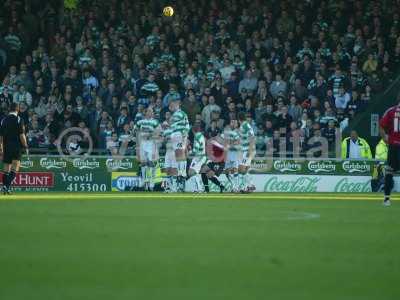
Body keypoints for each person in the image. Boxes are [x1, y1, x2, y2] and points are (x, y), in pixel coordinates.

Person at [0, 103, 29, 194]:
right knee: (15, 168)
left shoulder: (3, 120)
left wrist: (1, 147)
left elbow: (0, 136)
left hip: (6, 146)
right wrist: (25, 146)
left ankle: (5, 188)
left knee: (6, 169)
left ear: (9, 109)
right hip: (16, 147)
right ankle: (6, 187)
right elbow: (22, 135)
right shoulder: (19, 119)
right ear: (18, 109)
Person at [379, 93, 400, 206]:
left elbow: (381, 125)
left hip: (394, 145)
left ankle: (387, 199)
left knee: (389, 171)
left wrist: (385, 138)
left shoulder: (391, 111)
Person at [135, 107, 161, 191]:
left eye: (152, 111)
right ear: (145, 112)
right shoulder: (140, 122)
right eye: (149, 111)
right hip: (142, 143)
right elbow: (136, 131)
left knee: (151, 163)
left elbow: (159, 132)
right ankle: (144, 181)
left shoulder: (155, 122)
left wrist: (150, 135)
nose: (151, 113)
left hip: (151, 143)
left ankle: (151, 182)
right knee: (143, 163)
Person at [169, 99, 190, 192]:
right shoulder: (174, 115)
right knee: (178, 155)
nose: (172, 106)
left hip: (179, 135)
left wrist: (185, 135)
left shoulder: (181, 114)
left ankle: (182, 173)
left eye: (173, 104)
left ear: (178, 105)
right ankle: (180, 174)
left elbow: (187, 125)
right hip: (175, 136)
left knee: (180, 153)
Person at [238, 112, 256, 192]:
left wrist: (250, 149)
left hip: (248, 150)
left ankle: (249, 186)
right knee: (244, 170)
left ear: (239, 119)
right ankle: (249, 186)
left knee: (241, 169)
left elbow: (252, 137)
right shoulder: (245, 125)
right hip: (246, 150)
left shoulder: (244, 125)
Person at [223, 119, 241, 192]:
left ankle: (236, 187)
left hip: (236, 153)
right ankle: (233, 185)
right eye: (232, 122)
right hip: (228, 153)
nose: (233, 123)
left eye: (234, 122)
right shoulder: (227, 131)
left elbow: (239, 142)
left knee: (235, 169)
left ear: (237, 124)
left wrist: (230, 145)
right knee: (227, 172)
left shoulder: (238, 131)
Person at [187, 125, 207, 192]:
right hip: (200, 157)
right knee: (193, 172)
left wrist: (189, 150)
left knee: (191, 172)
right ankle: (197, 188)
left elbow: (196, 150)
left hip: (199, 157)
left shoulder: (197, 137)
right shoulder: (201, 136)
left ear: (193, 131)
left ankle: (199, 188)